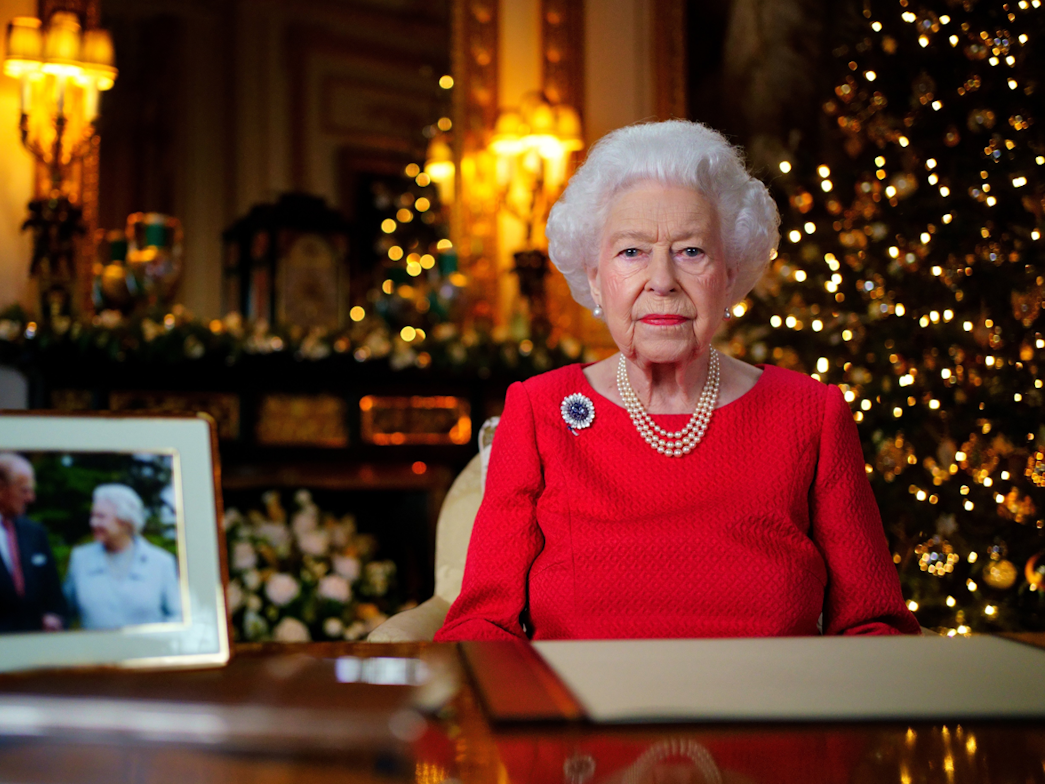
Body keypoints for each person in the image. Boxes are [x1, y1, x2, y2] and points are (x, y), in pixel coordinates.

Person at [435, 120, 920, 641]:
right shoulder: (539, 409)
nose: (662, 281)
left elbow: (874, 625)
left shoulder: (808, 412)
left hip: (767, 716)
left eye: (691, 251)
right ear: (596, 277)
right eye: (631, 252)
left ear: (729, 274)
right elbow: (481, 627)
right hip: (582, 716)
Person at [64, 483, 182, 629]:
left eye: (101, 517)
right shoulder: (80, 559)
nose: (93, 523)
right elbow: (64, 613)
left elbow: (177, 616)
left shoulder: (161, 562)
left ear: (125, 522)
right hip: (94, 651)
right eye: (93, 516)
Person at [0, 453, 66, 633]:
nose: (31, 498)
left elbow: (55, 597)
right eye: (24, 490)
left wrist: (55, 617)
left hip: (36, 649)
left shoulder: (35, 533)